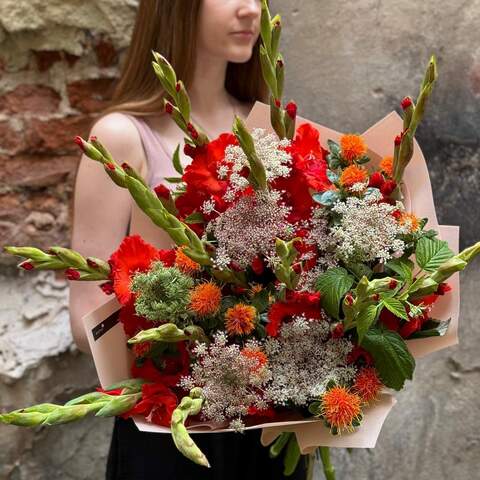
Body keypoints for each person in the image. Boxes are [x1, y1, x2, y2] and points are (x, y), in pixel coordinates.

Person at [69, 0, 307, 478]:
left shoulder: (272, 128)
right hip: (168, 433)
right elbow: (83, 320)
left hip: (273, 428)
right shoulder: (122, 137)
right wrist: (192, 339)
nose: (250, 11)